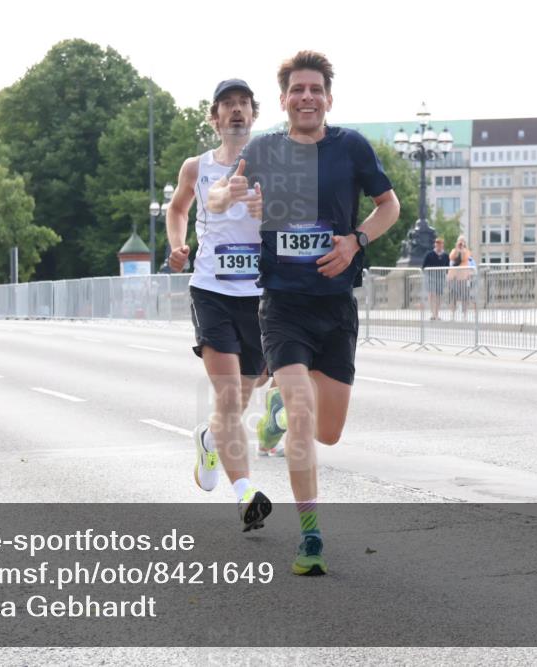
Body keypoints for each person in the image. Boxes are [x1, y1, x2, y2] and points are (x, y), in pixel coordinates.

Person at [209, 51, 400, 575]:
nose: (307, 97)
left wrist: (356, 241)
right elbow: (223, 190)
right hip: (284, 305)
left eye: (316, 89)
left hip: (336, 305)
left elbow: (390, 206)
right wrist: (231, 193)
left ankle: (281, 410)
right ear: (285, 99)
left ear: (328, 98)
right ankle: (310, 535)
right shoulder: (266, 149)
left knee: (329, 431)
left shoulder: (352, 148)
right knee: (301, 412)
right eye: (298, 90)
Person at [166, 78, 275, 531]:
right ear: (214, 117)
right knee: (229, 395)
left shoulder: (274, 163)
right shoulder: (198, 167)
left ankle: (210, 438)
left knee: (245, 394)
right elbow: (177, 210)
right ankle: (245, 493)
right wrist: (177, 245)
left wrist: (270, 212)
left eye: (242, 104)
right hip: (212, 291)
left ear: (254, 114)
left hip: (262, 296)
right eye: (226, 105)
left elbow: (291, 219)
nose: (235, 111)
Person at [422, 237, 450, 320]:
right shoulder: (429, 254)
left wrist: (446, 275)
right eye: (437, 243)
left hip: (440, 278)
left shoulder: (445, 255)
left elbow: (447, 267)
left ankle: (437, 313)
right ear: (435, 244)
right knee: (431, 294)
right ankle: (433, 313)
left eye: (440, 243)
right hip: (431, 277)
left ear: (442, 245)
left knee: (438, 296)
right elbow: (424, 266)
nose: (438, 245)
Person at [447, 236, 473, 319]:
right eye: (459, 241)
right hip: (453, 277)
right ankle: (452, 313)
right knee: (453, 296)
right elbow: (451, 257)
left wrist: (462, 251)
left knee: (464, 296)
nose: (461, 243)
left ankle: (464, 314)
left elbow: (464, 258)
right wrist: (457, 250)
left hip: (463, 277)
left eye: (462, 242)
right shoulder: (453, 251)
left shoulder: (467, 252)